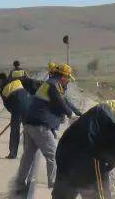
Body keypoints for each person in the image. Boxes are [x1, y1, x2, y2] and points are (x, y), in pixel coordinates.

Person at [16, 62, 82, 191]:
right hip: (40, 125)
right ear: (63, 77)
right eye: (68, 78)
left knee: (28, 155)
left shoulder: (51, 84)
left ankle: (20, 182)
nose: (68, 81)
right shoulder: (53, 85)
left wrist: (79, 114)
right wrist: (71, 115)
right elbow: (59, 102)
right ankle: (53, 183)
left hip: (31, 123)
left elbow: (65, 102)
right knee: (53, 154)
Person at [0, 71, 40, 159]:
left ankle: (13, 153)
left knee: (15, 130)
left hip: (17, 108)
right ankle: (28, 153)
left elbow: (8, 106)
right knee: (27, 130)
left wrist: (15, 116)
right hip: (29, 105)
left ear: (0, 81)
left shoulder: (3, 90)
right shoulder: (17, 81)